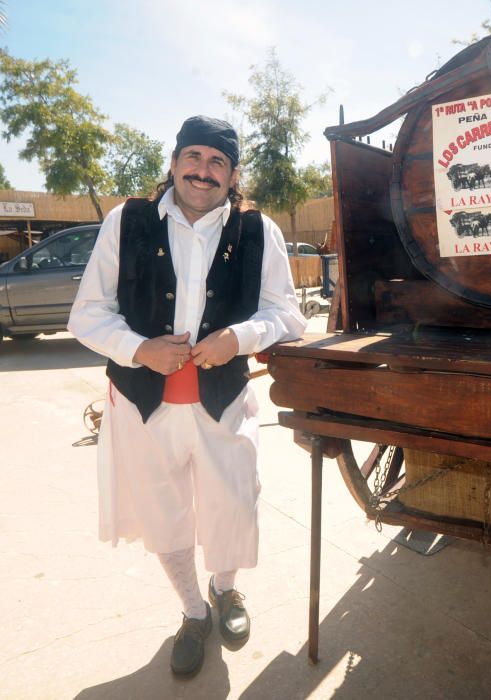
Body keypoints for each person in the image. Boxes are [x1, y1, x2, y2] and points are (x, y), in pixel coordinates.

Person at [68, 115, 307, 676]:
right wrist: (137, 348)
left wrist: (240, 337)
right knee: (163, 512)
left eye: (217, 161)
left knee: (234, 504)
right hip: (142, 404)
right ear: (174, 162)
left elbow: (288, 315)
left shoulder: (258, 231)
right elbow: (87, 314)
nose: (203, 172)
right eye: (193, 158)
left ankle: (226, 592)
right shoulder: (126, 222)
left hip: (223, 400)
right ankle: (194, 611)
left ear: (232, 173)